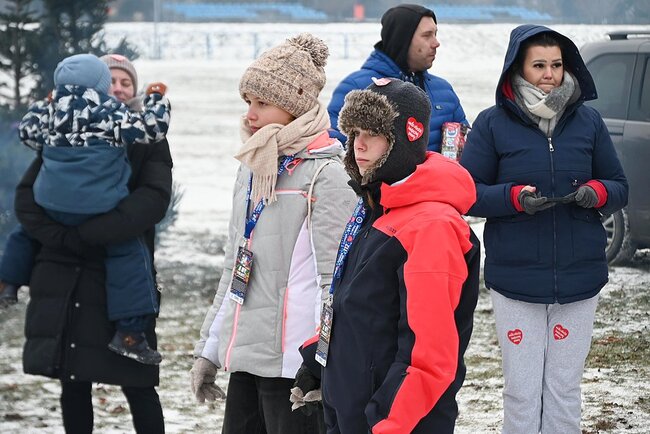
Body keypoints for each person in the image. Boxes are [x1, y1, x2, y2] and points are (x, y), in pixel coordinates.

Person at [459, 25, 628, 434]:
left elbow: (619, 186)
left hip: (579, 279)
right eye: (539, 65)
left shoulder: (588, 122)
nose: (549, 74)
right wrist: (513, 198)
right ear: (518, 68)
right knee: (521, 391)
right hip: (516, 281)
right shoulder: (492, 124)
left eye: (556, 64)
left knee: (564, 389)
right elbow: (468, 193)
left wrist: (596, 192)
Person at [189, 33, 356, 434]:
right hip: (245, 358)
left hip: (294, 368)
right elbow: (234, 267)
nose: (250, 114)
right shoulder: (252, 167)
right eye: (248, 101)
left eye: (262, 102)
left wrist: (321, 361)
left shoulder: (326, 175)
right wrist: (209, 349)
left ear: (294, 105)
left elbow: (333, 283)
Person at [294, 78, 481, 433]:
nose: (359, 144)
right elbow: (357, 305)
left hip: (394, 421)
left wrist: (384, 422)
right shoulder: (379, 206)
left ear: (403, 142)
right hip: (353, 408)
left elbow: (429, 355)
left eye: (374, 134)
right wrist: (318, 362)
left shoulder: (431, 226)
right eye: (354, 132)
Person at [10, 53, 172, 433]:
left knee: (139, 384)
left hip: (122, 281)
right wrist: (62, 236)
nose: (118, 88)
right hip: (66, 278)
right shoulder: (63, 133)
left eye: (126, 83)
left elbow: (153, 199)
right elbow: (29, 197)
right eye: (111, 81)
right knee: (74, 382)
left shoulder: (145, 141)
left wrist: (88, 233)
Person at [327, 4, 467, 153]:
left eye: (435, 34)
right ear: (402, 40)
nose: (436, 43)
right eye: (427, 35)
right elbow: (336, 150)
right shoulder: (356, 87)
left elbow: (465, 149)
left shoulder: (444, 91)